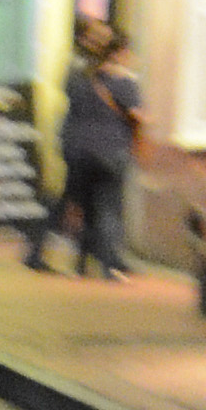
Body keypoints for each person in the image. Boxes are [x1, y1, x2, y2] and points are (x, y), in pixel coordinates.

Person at [43, 19, 143, 279]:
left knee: (81, 203)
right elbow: (137, 114)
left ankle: (81, 261)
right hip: (110, 150)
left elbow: (71, 100)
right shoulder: (121, 80)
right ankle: (108, 264)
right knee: (106, 207)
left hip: (78, 148)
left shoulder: (81, 74)